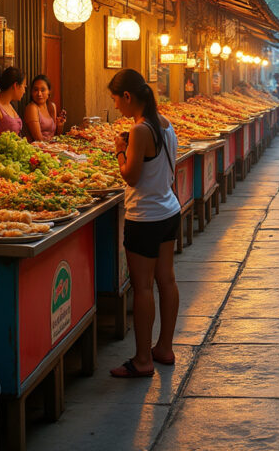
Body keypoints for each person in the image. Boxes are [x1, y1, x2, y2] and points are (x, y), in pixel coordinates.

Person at [108, 69, 180, 379]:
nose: (116, 107)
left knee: (143, 288)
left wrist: (120, 151)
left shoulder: (139, 130)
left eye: (116, 100)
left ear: (127, 96)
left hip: (145, 216)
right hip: (168, 211)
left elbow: (131, 176)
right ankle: (163, 348)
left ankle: (141, 359)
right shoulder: (166, 125)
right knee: (167, 280)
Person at [24, 74, 66, 142]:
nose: (39, 94)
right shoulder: (32, 108)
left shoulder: (52, 106)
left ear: (49, 91)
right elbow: (38, 139)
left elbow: (57, 135)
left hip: (52, 147)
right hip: (38, 149)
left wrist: (60, 126)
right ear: (31, 92)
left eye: (43, 90)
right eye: (35, 90)